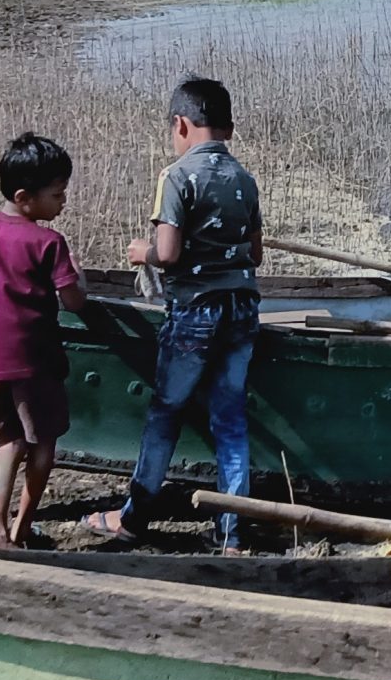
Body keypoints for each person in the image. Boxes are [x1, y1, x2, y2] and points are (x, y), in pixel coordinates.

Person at [84, 76, 262, 551]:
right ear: (229, 128)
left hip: (196, 313)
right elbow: (256, 255)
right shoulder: (245, 179)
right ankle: (232, 532)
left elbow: (169, 251)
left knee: (165, 414)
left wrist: (143, 252)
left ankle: (134, 518)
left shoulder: (177, 175)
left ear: (180, 124)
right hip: (243, 309)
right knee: (231, 421)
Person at [0, 133, 88, 549]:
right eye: (57, 194)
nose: (63, 202)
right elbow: (76, 302)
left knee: (8, 443)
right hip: (35, 363)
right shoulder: (49, 243)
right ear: (25, 197)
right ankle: (23, 529)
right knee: (43, 443)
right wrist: (78, 274)